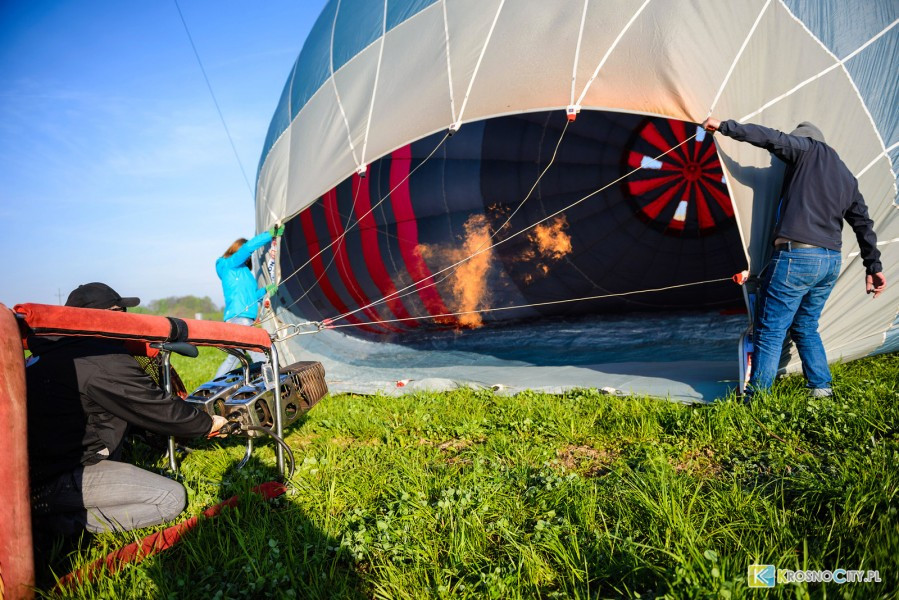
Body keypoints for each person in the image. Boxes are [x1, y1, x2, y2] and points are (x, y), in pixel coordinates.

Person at [701, 118, 887, 398]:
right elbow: (863, 224)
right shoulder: (847, 177)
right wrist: (873, 266)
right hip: (829, 262)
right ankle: (821, 389)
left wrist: (724, 127)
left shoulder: (808, 149)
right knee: (805, 325)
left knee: (770, 329)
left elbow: (770, 137)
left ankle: (757, 399)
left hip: (798, 256)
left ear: (804, 140)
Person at [26, 282, 228, 540]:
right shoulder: (99, 359)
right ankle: (53, 525)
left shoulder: (50, 351)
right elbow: (155, 406)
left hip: (34, 468)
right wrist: (207, 423)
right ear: (105, 316)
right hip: (57, 478)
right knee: (170, 498)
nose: (127, 320)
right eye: (121, 313)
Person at [214, 226, 283, 378]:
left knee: (234, 358)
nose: (247, 257)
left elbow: (252, 297)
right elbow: (248, 248)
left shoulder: (244, 273)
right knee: (258, 352)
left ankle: (212, 387)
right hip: (239, 318)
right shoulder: (230, 264)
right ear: (236, 250)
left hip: (241, 317)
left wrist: (265, 290)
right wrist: (269, 235)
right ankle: (272, 383)